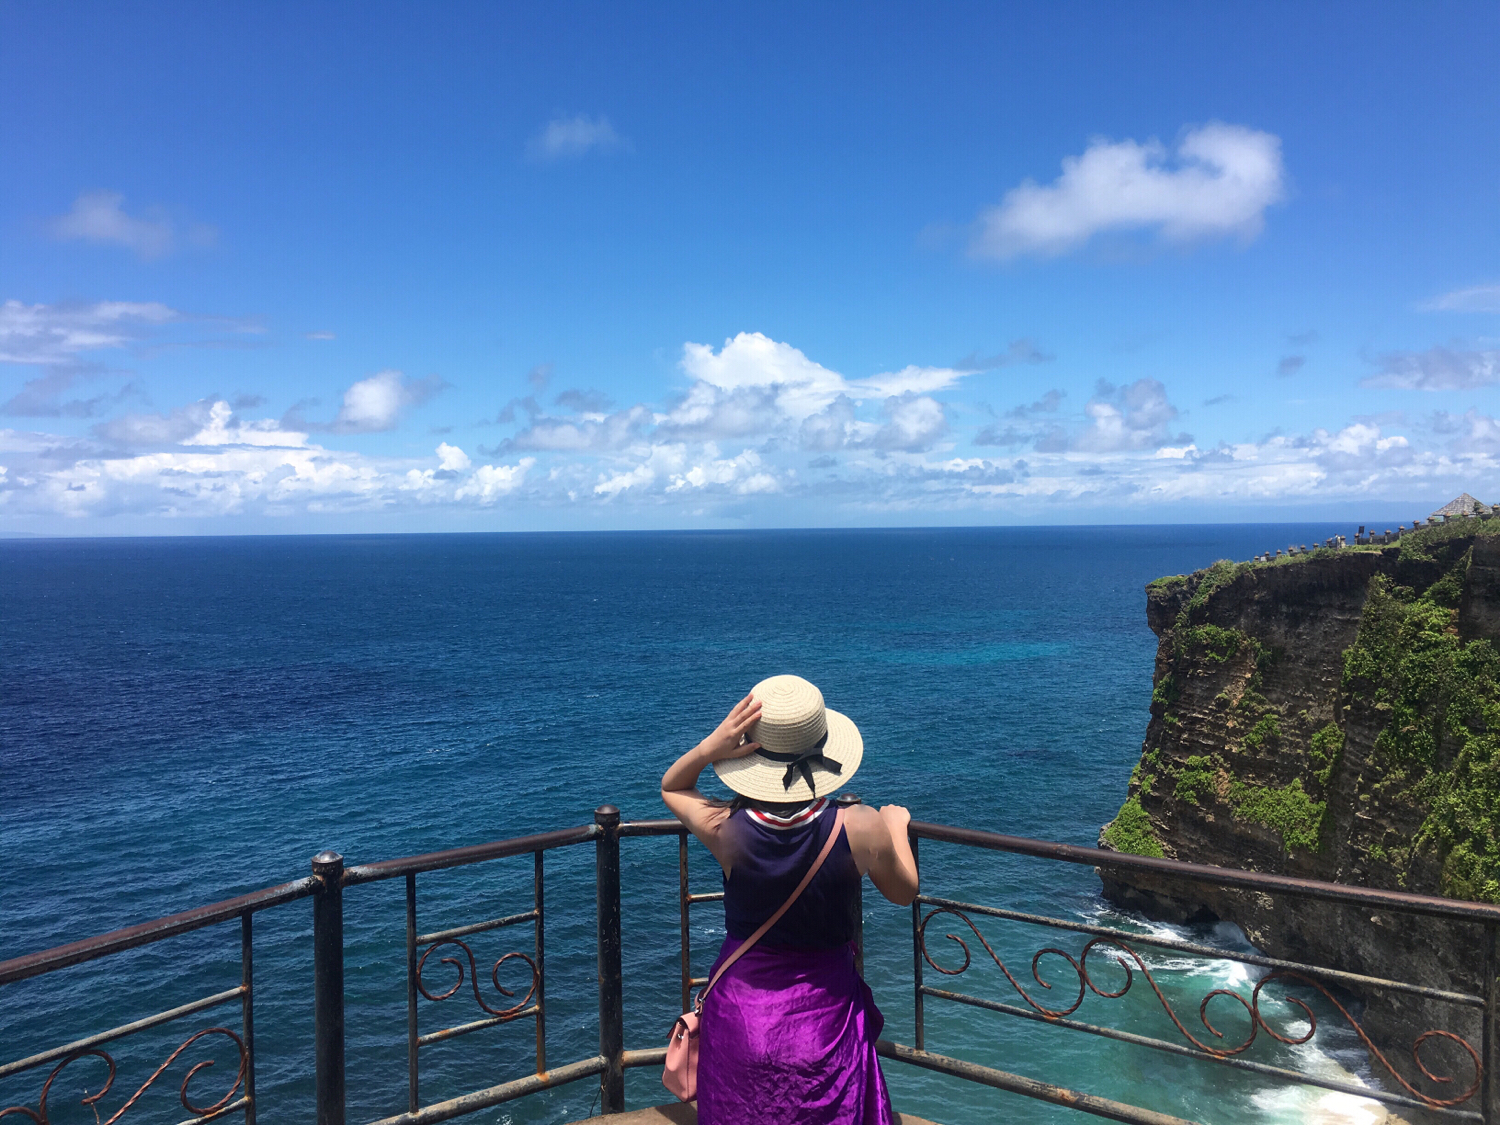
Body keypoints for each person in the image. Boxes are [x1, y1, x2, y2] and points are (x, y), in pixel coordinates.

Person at [661, 674, 919, 1125]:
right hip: (823, 1018)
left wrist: (712, 746)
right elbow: (903, 892)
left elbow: (673, 787)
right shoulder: (858, 824)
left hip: (741, 1012)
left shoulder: (727, 829)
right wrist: (894, 827)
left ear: (748, 752)